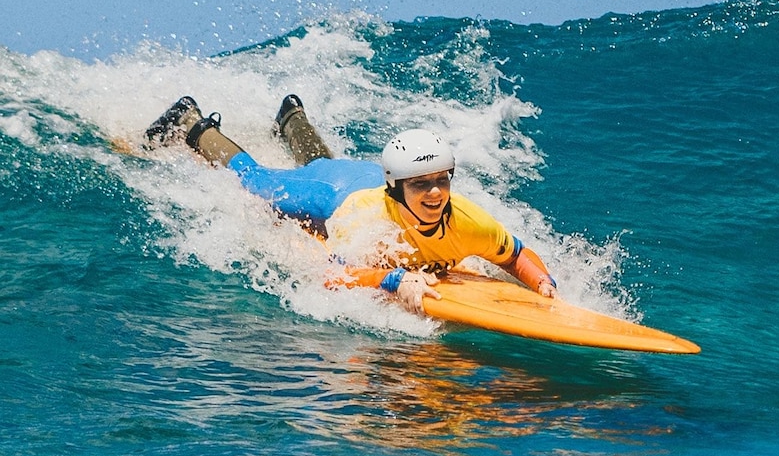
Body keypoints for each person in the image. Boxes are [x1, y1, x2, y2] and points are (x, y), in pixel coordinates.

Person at [145, 95, 558, 312]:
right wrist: (392, 281)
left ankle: (292, 119)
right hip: (337, 194)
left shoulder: (469, 221)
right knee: (258, 184)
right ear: (396, 189)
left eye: (440, 181)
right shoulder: (369, 223)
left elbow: (515, 255)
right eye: (421, 186)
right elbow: (332, 276)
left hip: (360, 175)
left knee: (323, 162)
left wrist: (542, 282)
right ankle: (191, 123)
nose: (434, 193)